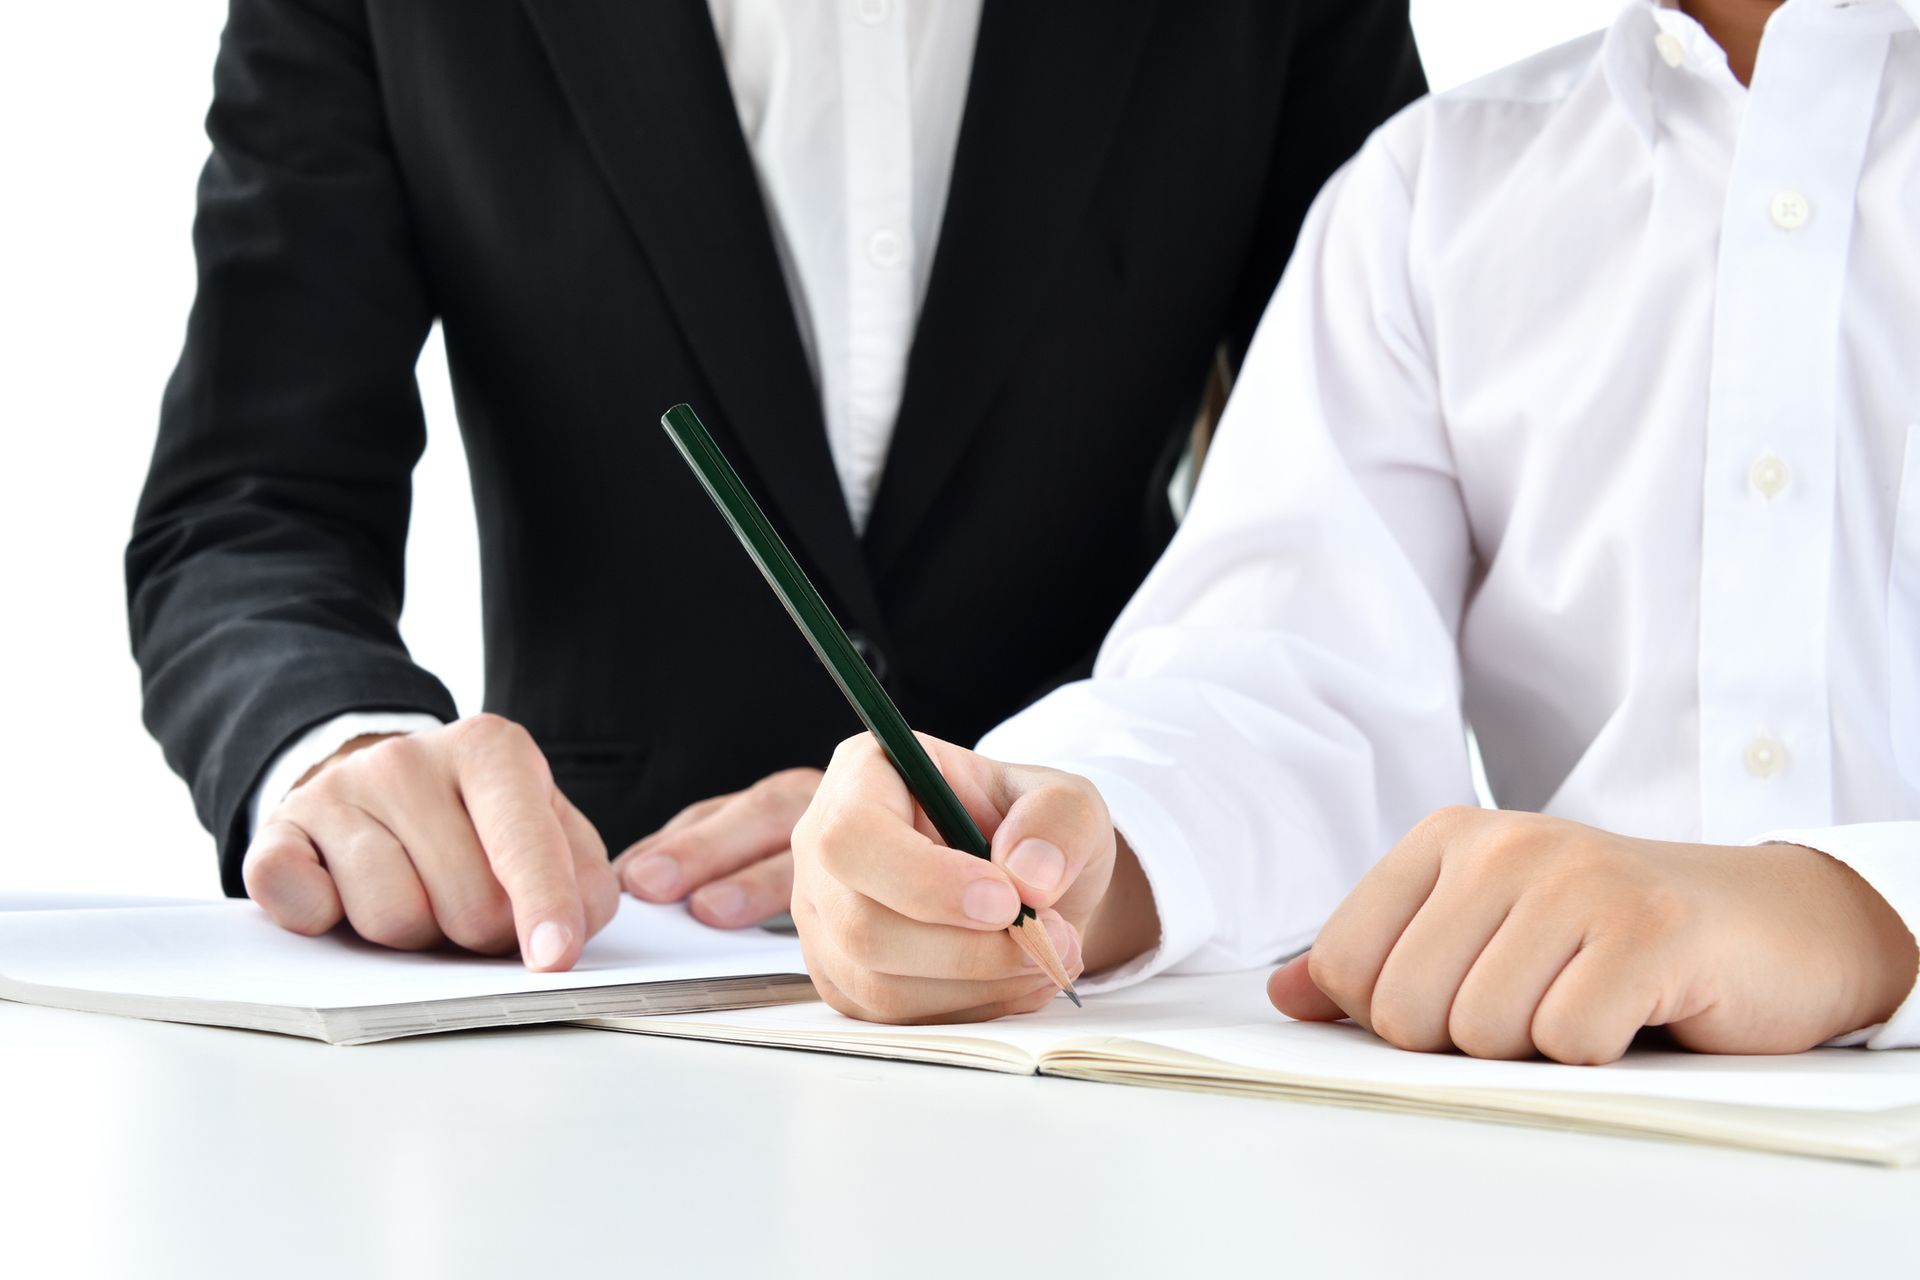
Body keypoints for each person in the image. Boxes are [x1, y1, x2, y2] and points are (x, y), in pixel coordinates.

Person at [127, 1, 1424, 969]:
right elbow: (248, 503)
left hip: (1084, 973)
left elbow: (1373, 538)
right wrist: (343, 747)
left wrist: (1111, 812)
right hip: (595, 964)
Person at [787, 0, 1920, 1058]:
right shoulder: (1441, 187)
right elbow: (1291, 684)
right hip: (1584, 1144)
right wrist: (1074, 845)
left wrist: (1864, 912)